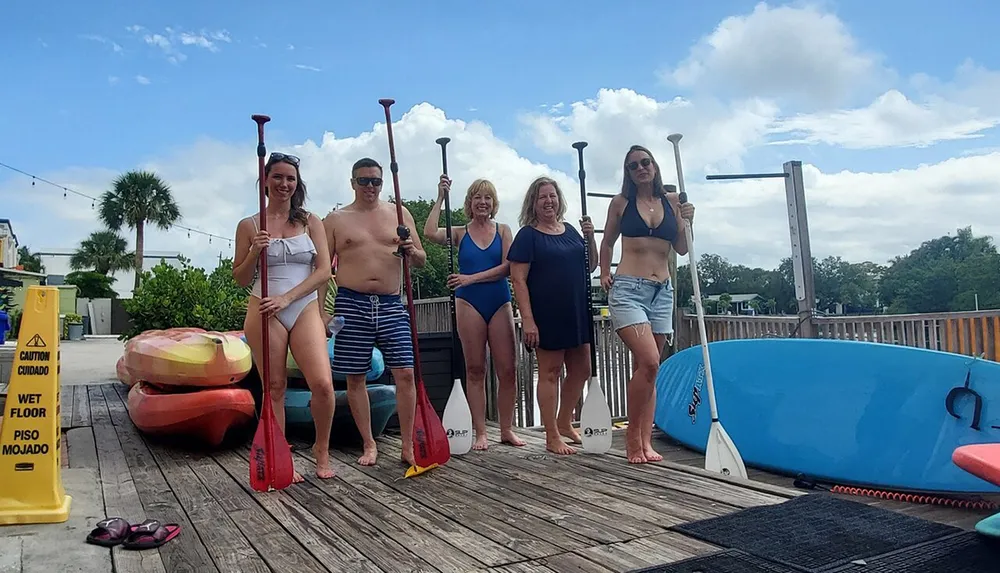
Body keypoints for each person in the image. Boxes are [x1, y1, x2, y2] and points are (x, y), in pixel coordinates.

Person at [232, 151, 336, 481]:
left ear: (297, 183)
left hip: (301, 306)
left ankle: (322, 450)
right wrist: (254, 252)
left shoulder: (310, 221)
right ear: (265, 181)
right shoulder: (249, 225)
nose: (284, 183)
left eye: (290, 178)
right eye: (277, 177)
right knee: (274, 386)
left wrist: (288, 298)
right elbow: (240, 277)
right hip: (263, 309)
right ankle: (279, 453)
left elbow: (323, 272)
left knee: (322, 384)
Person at [319, 157, 426, 467]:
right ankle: (369, 443)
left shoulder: (399, 213)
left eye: (375, 181)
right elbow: (324, 270)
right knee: (355, 377)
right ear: (352, 183)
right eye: (363, 180)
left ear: (383, 183)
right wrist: (320, 314)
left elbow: (420, 259)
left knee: (405, 373)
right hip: (351, 303)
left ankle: (407, 445)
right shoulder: (336, 220)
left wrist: (410, 251)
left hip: (392, 302)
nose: (369, 186)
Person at [598, 144, 695, 464]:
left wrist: (689, 220)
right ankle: (630, 440)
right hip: (628, 289)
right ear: (627, 173)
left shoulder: (672, 202)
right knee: (651, 361)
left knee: (647, 370)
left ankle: (644, 440)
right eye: (633, 165)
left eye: (645, 162)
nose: (640, 168)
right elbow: (608, 241)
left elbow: (681, 248)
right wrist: (603, 272)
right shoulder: (621, 203)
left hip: (662, 291)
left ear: (654, 166)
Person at [423, 176, 524, 450]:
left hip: (499, 301)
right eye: (477, 197)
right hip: (468, 304)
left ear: (494, 203)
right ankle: (480, 432)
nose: (483, 202)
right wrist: (441, 197)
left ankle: (506, 429)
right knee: (475, 368)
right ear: (469, 203)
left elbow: (507, 268)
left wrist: (470, 278)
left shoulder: (503, 230)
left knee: (508, 369)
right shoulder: (459, 232)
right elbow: (429, 232)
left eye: (487, 198)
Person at [507, 175, 597, 455]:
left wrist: (590, 237)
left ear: (559, 200)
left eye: (552, 196)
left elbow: (590, 265)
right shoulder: (528, 235)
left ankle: (564, 421)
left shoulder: (571, 230)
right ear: (533, 203)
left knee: (582, 369)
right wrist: (529, 320)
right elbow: (518, 279)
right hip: (546, 313)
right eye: (542, 197)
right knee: (550, 372)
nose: (548, 201)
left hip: (576, 309)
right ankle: (551, 435)